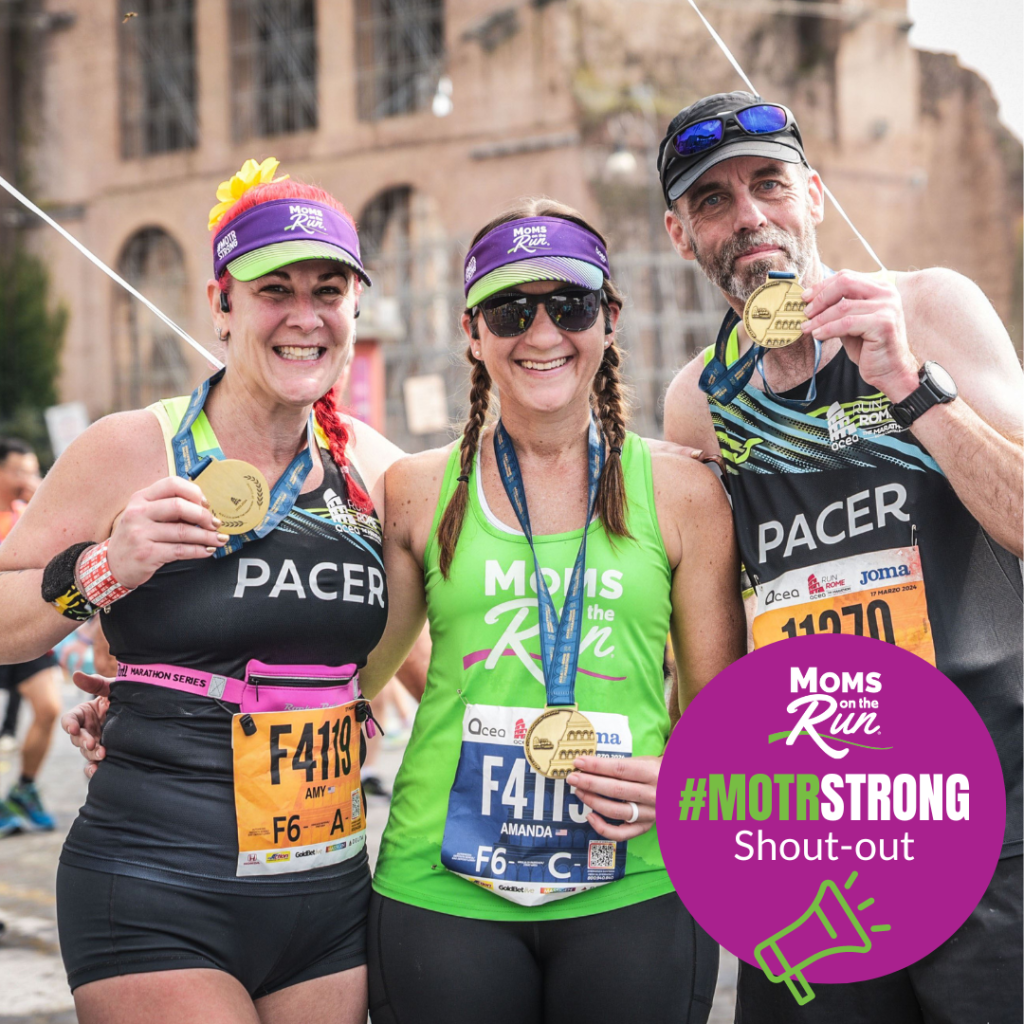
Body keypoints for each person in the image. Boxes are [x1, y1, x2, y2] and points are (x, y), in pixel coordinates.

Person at [0, 159, 407, 1023]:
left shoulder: (375, 467)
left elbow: (434, 649)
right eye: (274, 290)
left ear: (355, 308)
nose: (305, 315)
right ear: (221, 304)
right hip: (154, 881)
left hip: (327, 893)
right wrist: (103, 568)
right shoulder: (131, 448)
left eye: (328, 289)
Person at [659, 91, 1023, 1023]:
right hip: (813, 828)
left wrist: (908, 383)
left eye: (769, 184)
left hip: (986, 802)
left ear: (813, 195)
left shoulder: (930, 307)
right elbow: (713, 625)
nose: (749, 217)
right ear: (679, 234)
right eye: (713, 201)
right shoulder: (700, 397)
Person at [361, 198, 747, 1024]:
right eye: (510, 309)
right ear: (473, 331)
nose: (541, 334)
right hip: (443, 887)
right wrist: (159, 711)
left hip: (634, 880)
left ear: (608, 320)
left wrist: (683, 787)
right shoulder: (417, 489)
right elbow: (352, 678)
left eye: (568, 305)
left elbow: (723, 718)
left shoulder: (682, 491)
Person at [0, 437, 63, 833]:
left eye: (32, 469)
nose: (28, 477)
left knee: (50, 709)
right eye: (20, 470)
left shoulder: (30, 513)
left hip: (22, 627)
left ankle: (23, 790)